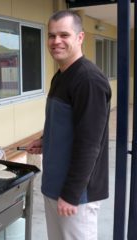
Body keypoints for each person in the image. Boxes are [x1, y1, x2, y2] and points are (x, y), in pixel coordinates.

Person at [26, 10, 111, 240]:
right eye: (52, 36)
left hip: (77, 195)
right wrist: (45, 141)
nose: (56, 41)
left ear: (80, 37)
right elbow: (65, 123)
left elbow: (90, 144)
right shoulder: (61, 76)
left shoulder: (88, 80)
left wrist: (71, 194)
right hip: (55, 185)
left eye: (64, 34)